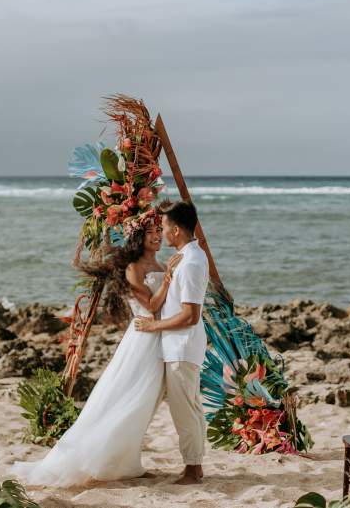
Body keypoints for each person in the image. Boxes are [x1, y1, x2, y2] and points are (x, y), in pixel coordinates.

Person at [9, 210, 182, 486]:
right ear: (138, 237)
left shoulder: (160, 264)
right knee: (129, 399)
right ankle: (101, 457)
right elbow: (150, 306)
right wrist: (171, 277)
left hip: (160, 336)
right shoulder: (134, 268)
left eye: (158, 231)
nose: (157, 236)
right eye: (151, 232)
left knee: (145, 404)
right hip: (143, 340)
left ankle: (127, 461)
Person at [135, 200, 209, 485]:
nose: (162, 232)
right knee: (190, 406)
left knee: (184, 410)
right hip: (180, 345)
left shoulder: (190, 263)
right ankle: (196, 465)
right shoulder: (186, 257)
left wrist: (154, 324)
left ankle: (192, 468)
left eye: (164, 227)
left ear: (176, 230)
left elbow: (190, 315)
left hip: (182, 345)